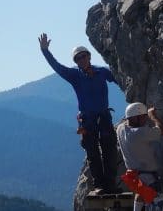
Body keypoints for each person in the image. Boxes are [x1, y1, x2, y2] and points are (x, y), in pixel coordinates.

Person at [38, 33, 119, 195]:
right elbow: (57, 66)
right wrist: (45, 51)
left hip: (103, 117)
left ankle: (110, 184)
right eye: (78, 58)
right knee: (93, 153)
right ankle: (100, 185)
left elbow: (120, 77)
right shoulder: (74, 76)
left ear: (89, 56)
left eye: (83, 56)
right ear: (76, 62)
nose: (81, 60)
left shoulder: (102, 72)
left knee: (109, 150)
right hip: (88, 120)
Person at [117, 102, 163, 211]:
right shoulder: (139, 133)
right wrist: (152, 116)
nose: (145, 120)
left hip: (134, 176)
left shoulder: (120, 129)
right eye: (143, 117)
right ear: (136, 117)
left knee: (140, 194)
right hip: (148, 177)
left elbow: (127, 122)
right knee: (158, 203)